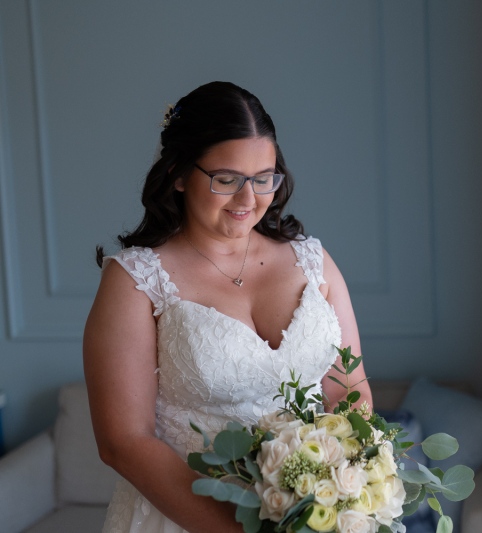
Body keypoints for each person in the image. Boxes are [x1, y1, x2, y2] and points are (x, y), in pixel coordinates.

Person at [83, 81, 372, 533]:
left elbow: (347, 388)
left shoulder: (312, 260)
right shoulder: (135, 280)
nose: (249, 199)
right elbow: (123, 440)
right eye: (226, 179)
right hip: (186, 517)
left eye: (264, 179)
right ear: (178, 173)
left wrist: (334, 495)